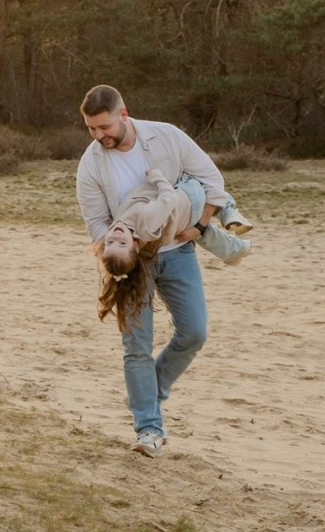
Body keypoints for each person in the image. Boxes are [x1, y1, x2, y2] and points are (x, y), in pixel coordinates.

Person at [74, 84, 251, 458]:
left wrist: (200, 226)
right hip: (132, 263)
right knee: (136, 347)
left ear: (123, 114)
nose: (98, 135)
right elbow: (95, 224)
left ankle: (148, 392)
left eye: (104, 127)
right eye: (91, 128)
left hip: (179, 251)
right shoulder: (91, 164)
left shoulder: (166, 136)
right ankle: (149, 429)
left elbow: (212, 181)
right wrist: (124, 248)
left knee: (194, 332)